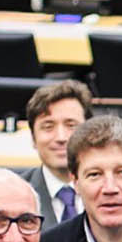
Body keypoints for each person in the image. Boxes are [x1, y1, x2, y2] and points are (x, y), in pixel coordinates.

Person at [19, 80, 91, 227]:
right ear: (33, 138)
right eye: (48, 126)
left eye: (71, 125)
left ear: (89, 133)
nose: (61, 137)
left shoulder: (120, 188)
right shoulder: (15, 194)